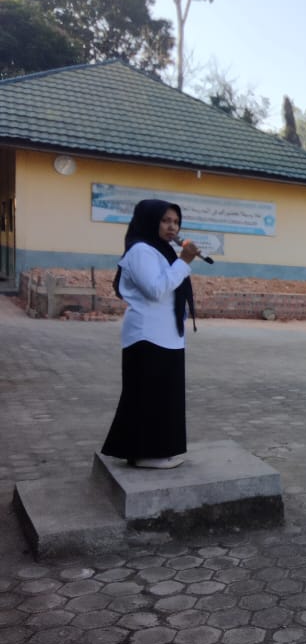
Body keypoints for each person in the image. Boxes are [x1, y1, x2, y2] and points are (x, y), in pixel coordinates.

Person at [101, 199, 200, 469]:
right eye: (165, 221)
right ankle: (145, 454)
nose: (172, 227)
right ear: (149, 220)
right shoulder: (141, 251)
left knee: (164, 397)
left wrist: (179, 261)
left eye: (176, 222)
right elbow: (155, 290)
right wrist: (185, 261)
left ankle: (158, 450)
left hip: (167, 335)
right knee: (147, 396)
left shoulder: (162, 251)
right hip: (146, 335)